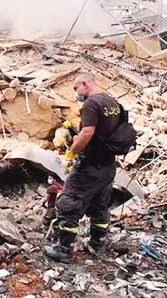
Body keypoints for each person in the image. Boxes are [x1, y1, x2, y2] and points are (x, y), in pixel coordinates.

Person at [43, 73, 123, 262]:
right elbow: (106, 132)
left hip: (90, 165)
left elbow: (88, 133)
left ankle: (65, 250)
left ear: (84, 84)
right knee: (99, 205)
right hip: (108, 165)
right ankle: (97, 243)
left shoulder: (91, 104)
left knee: (68, 204)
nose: (75, 92)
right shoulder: (112, 102)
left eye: (75, 88)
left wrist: (71, 152)